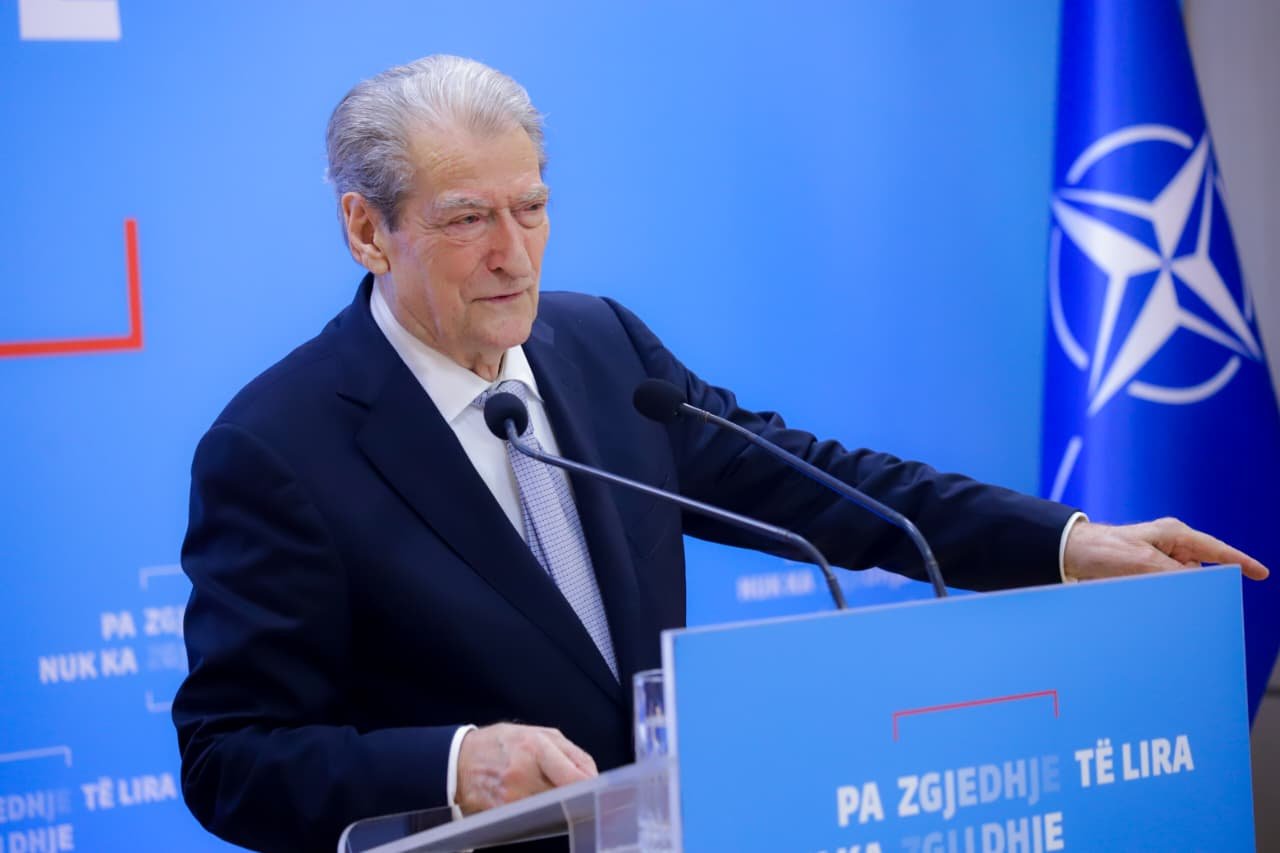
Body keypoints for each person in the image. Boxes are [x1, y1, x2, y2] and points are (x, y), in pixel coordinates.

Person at [171, 55, 1268, 853]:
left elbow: (825, 488)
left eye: (533, 206)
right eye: (466, 221)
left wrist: (1067, 544)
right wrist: (458, 761)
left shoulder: (602, 347)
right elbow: (232, 757)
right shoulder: (278, 447)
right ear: (367, 230)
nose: (514, 254)